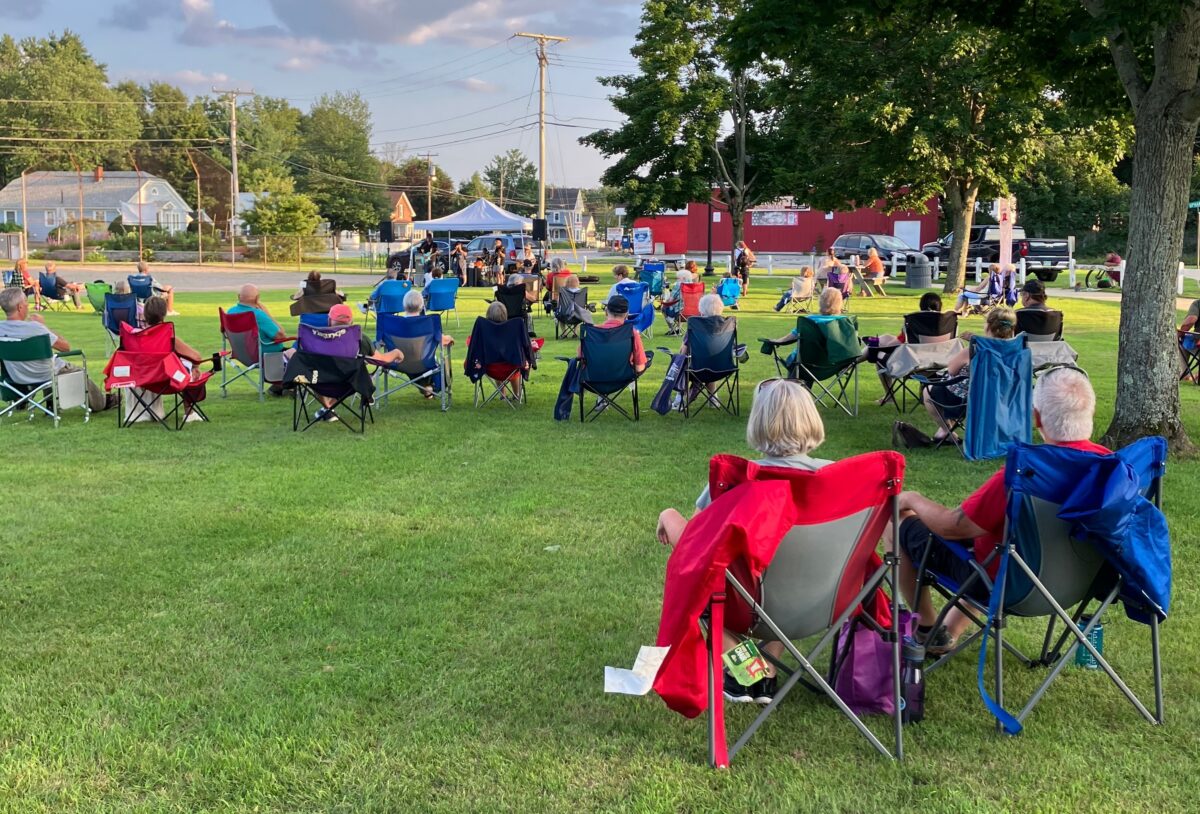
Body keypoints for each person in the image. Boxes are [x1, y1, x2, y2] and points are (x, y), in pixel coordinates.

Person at [891, 367, 1107, 651]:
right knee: (998, 539)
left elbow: (953, 527)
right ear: (1089, 412)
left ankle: (925, 631)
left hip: (1010, 587)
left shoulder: (1025, 474)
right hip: (1078, 582)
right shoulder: (1111, 469)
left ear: (1037, 416)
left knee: (899, 521)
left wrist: (913, 499)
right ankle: (947, 631)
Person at [657, 378, 832, 703]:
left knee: (700, 589)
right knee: (782, 567)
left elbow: (691, 551)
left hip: (752, 605)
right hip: (824, 603)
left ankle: (752, 671)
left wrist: (669, 515)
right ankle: (764, 669)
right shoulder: (841, 481)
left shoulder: (738, 481)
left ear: (759, 421)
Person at [0, 288, 113, 412]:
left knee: (45, 363)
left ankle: (37, 402)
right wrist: (44, 326)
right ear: (20, 307)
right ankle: (102, 402)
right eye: (26, 301)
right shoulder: (36, 329)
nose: (28, 305)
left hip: (17, 377)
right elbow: (65, 347)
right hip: (47, 375)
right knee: (73, 371)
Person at [922, 306, 1016, 444]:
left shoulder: (973, 350)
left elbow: (952, 370)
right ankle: (944, 432)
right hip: (1002, 399)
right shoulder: (1016, 352)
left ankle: (948, 431)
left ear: (988, 326)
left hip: (969, 400)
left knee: (928, 392)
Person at [228, 284, 293, 394]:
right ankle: (286, 385)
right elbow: (281, 335)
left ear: (238, 296)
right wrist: (267, 314)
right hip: (265, 355)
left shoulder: (230, 312)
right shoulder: (258, 314)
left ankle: (279, 385)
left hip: (241, 354)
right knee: (298, 354)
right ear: (257, 299)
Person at [589, 295, 648, 374]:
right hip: (621, 378)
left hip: (593, 377)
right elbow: (639, 367)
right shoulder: (631, 333)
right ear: (627, 315)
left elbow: (581, 358)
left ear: (606, 312)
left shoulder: (593, 332)